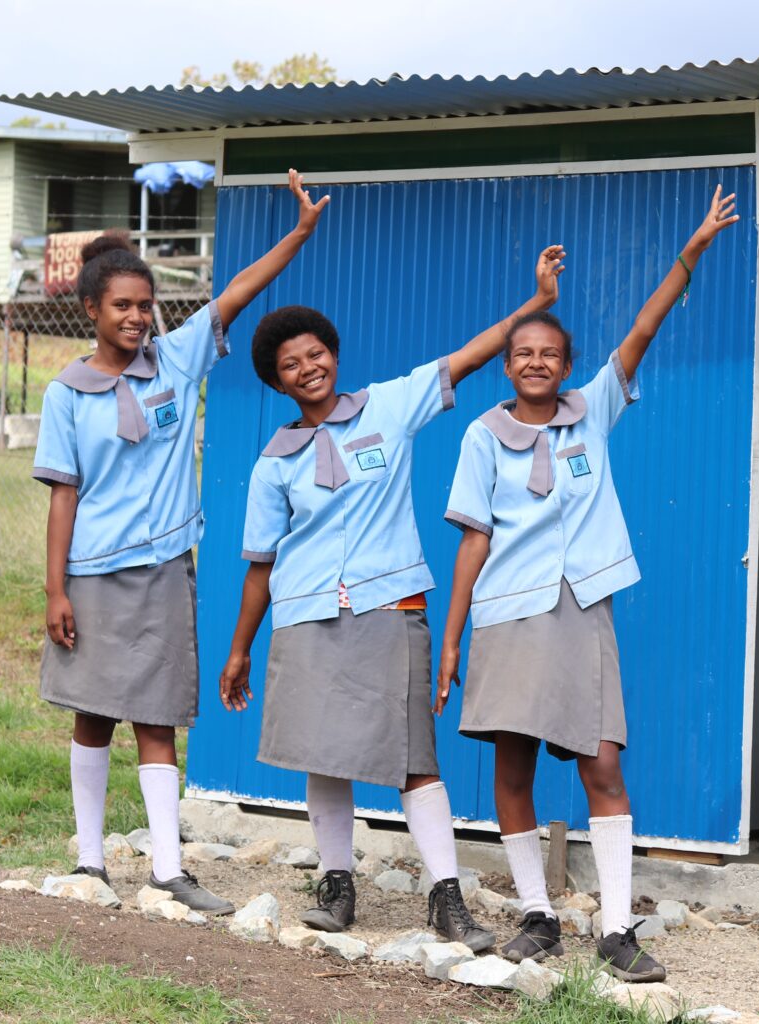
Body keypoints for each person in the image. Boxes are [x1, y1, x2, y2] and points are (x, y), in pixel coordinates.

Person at [218, 244, 566, 949]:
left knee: (415, 758)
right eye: (290, 364)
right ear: (275, 381)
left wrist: (534, 306)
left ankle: (445, 898)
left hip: (390, 608)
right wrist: (238, 649)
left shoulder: (389, 406)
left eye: (315, 354)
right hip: (306, 616)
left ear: (333, 355)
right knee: (326, 754)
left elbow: (464, 359)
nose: (308, 368)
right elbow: (259, 565)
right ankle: (337, 884)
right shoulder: (272, 465)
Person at [436, 185, 738, 980]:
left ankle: (614, 928)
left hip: (580, 608)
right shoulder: (480, 436)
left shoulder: (591, 412)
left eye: (550, 354)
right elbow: (471, 540)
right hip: (505, 612)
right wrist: (452, 636)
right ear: (506, 365)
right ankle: (537, 914)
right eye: (522, 353)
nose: (535, 362)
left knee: (601, 763)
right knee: (512, 767)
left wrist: (693, 247)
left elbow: (642, 328)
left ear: (567, 368)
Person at [32, 170, 328, 913]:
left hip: (165, 569)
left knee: (159, 714)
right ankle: (91, 861)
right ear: (91, 309)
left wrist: (296, 234)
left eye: (145, 305)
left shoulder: (177, 358)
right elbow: (64, 495)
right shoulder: (65, 394)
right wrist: (55, 587)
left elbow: (236, 292)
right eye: (122, 306)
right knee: (93, 711)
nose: (137, 318)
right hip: (93, 574)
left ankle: (167, 866)